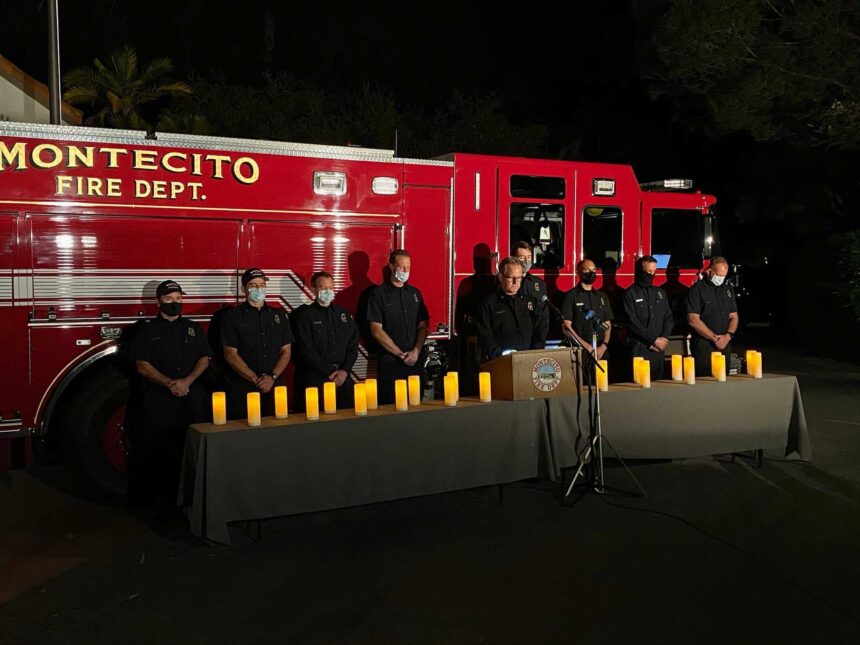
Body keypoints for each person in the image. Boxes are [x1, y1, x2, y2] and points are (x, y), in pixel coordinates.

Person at [127, 280, 212, 508]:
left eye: (178, 299)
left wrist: (187, 382)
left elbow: (204, 359)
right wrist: (169, 384)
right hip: (161, 401)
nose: (174, 303)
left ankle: (191, 500)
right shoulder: (146, 330)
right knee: (161, 452)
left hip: (191, 399)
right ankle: (162, 503)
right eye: (168, 299)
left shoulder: (193, 328)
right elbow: (142, 365)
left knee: (191, 449)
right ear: (158, 302)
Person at [220, 268, 293, 419]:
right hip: (245, 386)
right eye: (253, 285)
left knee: (278, 431)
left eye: (261, 284)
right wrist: (255, 379)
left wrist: (272, 377)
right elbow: (230, 354)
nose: (258, 289)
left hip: (275, 386)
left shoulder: (278, 315)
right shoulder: (232, 317)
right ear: (243, 289)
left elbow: (286, 350)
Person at [366, 250, 429, 404]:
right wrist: (401, 354)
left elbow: (423, 325)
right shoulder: (378, 295)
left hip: (415, 361)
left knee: (415, 406)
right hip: (391, 363)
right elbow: (376, 330)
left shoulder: (415, 294)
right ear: (392, 267)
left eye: (408, 267)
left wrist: (416, 351)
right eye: (401, 267)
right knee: (390, 406)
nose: (406, 271)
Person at [291, 271, 359, 411]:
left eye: (331, 288)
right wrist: (328, 372)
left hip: (342, 379)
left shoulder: (343, 314)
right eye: (323, 288)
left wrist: (344, 371)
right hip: (314, 380)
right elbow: (304, 349)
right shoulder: (302, 315)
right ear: (313, 289)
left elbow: (352, 346)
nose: (328, 291)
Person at [475, 256, 548, 361]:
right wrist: (500, 355)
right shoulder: (489, 304)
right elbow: (485, 336)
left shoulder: (531, 302)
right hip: (500, 363)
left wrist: (534, 352)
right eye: (511, 278)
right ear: (501, 277)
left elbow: (540, 329)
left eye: (519, 278)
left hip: (529, 361)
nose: (515, 282)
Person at [622, 256, 674, 381]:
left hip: (658, 349)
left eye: (653, 272)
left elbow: (669, 318)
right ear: (640, 271)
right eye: (648, 272)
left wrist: (663, 339)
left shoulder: (660, 293)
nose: (651, 275)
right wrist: (653, 340)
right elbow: (632, 322)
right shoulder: (630, 294)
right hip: (640, 348)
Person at [686, 256, 739, 376]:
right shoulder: (696, 290)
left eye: (723, 276)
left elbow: (734, 316)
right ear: (709, 271)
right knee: (704, 381)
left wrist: (728, 336)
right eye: (718, 275)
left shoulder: (728, 290)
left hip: (725, 344)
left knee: (723, 380)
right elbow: (693, 320)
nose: (721, 278)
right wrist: (714, 338)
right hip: (704, 345)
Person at [561, 259, 614, 356]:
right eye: (587, 270)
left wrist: (603, 347)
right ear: (579, 272)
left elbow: (608, 325)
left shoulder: (602, 296)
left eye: (593, 270)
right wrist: (587, 347)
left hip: (601, 351)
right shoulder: (571, 296)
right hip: (580, 351)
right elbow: (566, 327)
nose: (592, 273)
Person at [512, 240, 549, 347]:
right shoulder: (506, 282)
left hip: (533, 343)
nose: (526, 261)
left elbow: (543, 319)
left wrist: (538, 345)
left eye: (528, 257)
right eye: (521, 258)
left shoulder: (539, 284)